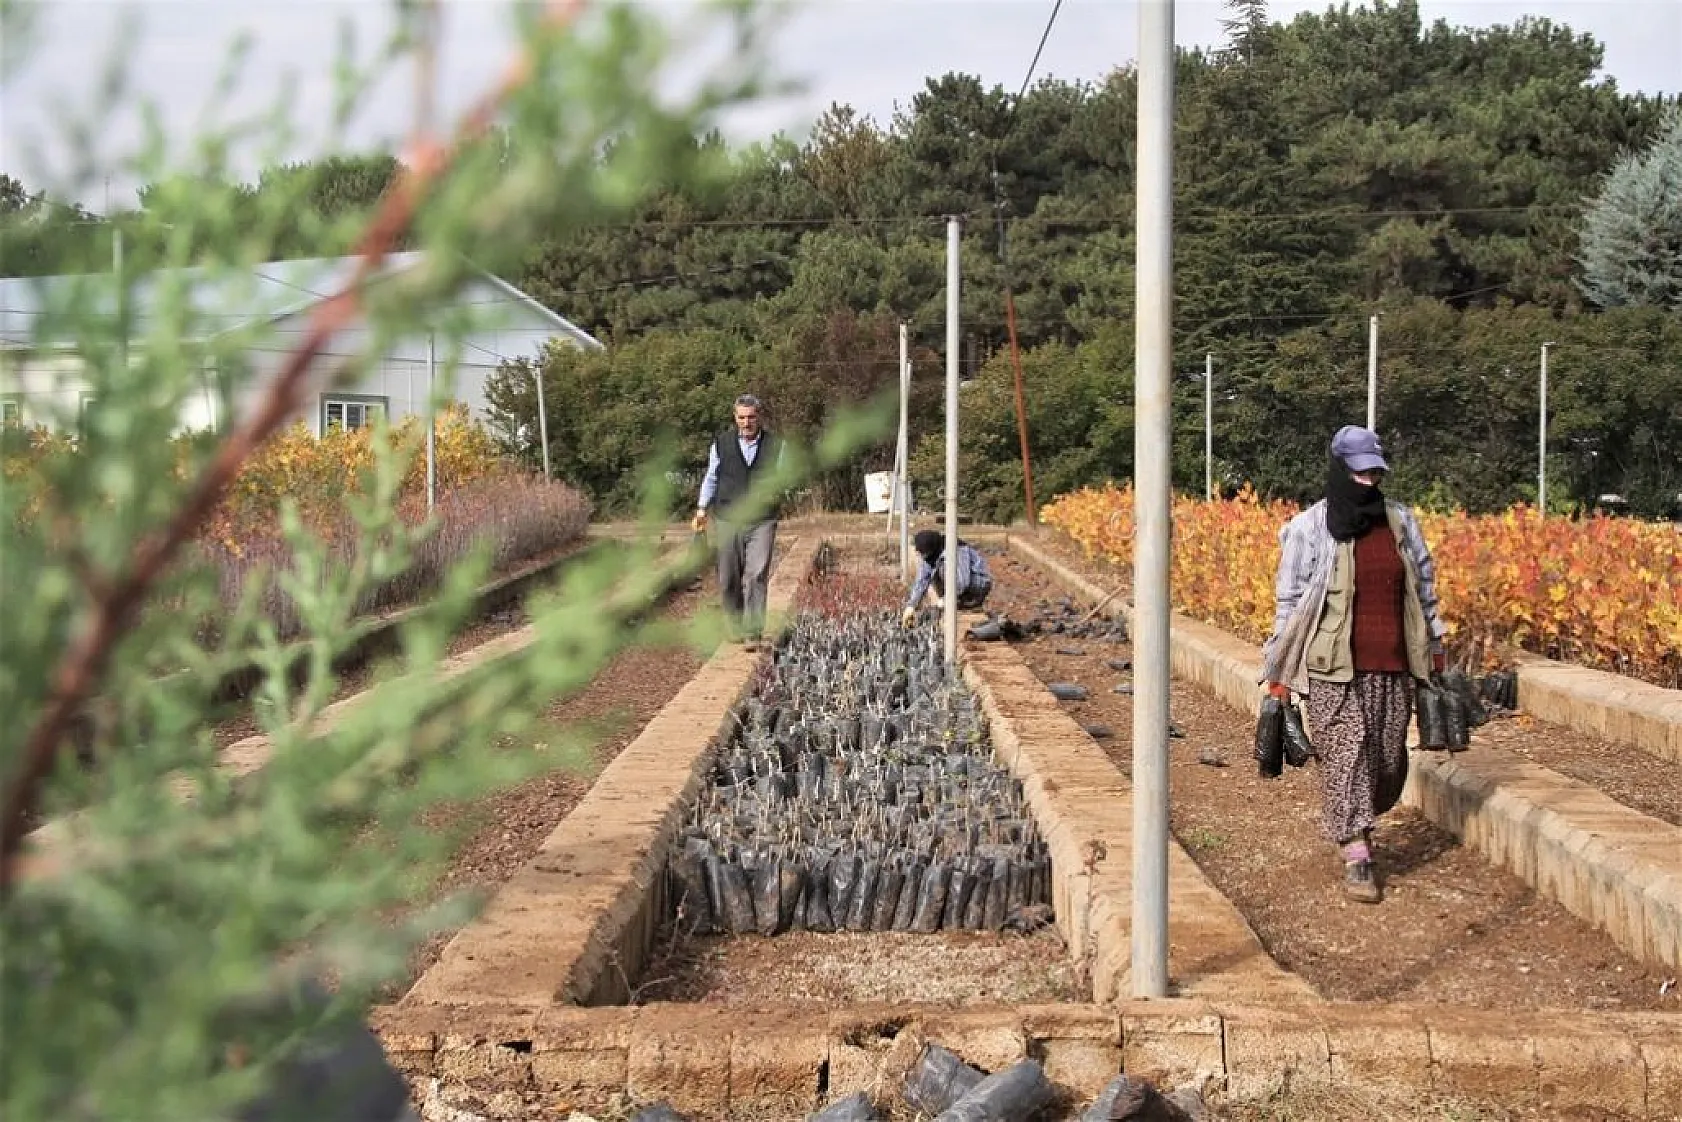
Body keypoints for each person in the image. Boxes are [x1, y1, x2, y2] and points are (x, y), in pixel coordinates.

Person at [1260, 425, 1448, 904]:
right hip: (1332, 665)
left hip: (1393, 662)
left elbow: (1424, 589)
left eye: (1374, 471)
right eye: (1360, 470)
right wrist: (1278, 670)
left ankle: (1362, 817)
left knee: (1385, 761)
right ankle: (1357, 854)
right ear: (1340, 468)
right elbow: (1288, 603)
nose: (1369, 478)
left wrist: (1436, 644)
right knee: (1346, 754)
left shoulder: (1400, 522)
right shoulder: (1310, 527)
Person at [692, 394, 784, 645]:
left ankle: (752, 632)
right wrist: (701, 508)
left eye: (751, 417)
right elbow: (711, 478)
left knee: (756, 574)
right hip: (727, 518)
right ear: (735, 418)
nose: (746, 423)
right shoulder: (721, 444)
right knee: (728, 577)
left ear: (759, 417)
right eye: (742, 418)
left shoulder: (777, 446)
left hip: (762, 520)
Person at [900, 529, 993, 626]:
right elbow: (922, 580)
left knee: (943, 568)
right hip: (961, 585)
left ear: (930, 549)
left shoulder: (957, 550)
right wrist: (911, 605)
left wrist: (945, 600)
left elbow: (962, 582)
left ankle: (967, 603)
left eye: (921, 552)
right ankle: (957, 602)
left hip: (977, 584)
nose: (917, 553)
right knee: (935, 572)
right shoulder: (931, 554)